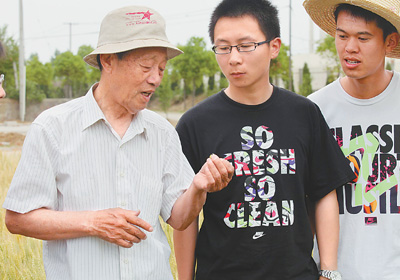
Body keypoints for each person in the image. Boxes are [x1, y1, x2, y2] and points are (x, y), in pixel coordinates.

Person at [3, 5, 233, 280]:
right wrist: (93, 222)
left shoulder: (162, 132)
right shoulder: (52, 128)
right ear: (108, 61)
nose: (156, 79)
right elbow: (18, 219)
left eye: (161, 68)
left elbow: (179, 219)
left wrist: (197, 188)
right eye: (146, 66)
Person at [173, 0, 356, 279]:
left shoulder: (303, 113)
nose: (233, 58)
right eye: (223, 47)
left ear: (274, 46)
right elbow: (184, 215)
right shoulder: (195, 123)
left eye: (246, 45)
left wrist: (328, 270)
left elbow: (324, 191)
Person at [304, 0, 400, 279]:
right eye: (342, 36)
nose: (350, 48)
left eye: (363, 38)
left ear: (389, 41)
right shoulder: (314, 110)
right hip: (335, 272)